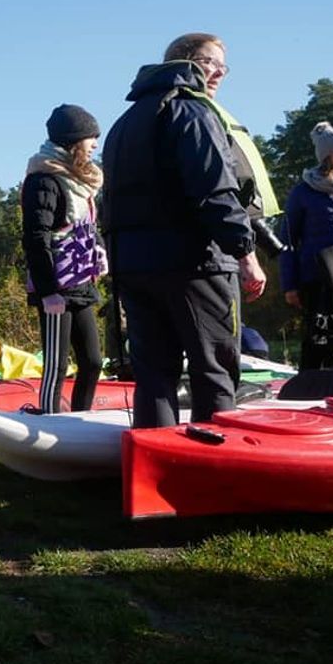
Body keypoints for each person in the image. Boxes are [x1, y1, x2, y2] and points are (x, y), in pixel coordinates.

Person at [102, 33, 267, 428]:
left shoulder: (124, 123)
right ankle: (219, 478)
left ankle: (155, 474)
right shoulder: (194, 112)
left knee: (155, 375)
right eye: (212, 63)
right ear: (187, 62)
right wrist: (245, 253)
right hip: (196, 265)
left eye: (224, 67)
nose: (220, 73)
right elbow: (214, 189)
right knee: (215, 370)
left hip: (135, 267)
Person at [21, 104, 106, 413]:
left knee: (93, 361)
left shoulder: (81, 182)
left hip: (80, 283)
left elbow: (85, 224)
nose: (95, 143)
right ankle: (48, 419)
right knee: (57, 364)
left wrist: (99, 249)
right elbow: (36, 236)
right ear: (73, 141)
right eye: (90, 137)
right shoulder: (44, 180)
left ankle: (81, 418)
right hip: (55, 288)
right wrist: (47, 291)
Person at [279, 122, 333, 373]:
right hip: (315, 280)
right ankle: (309, 395)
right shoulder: (303, 192)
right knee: (317, 340)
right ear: (327, 156)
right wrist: (290, 285)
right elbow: (287, 240)